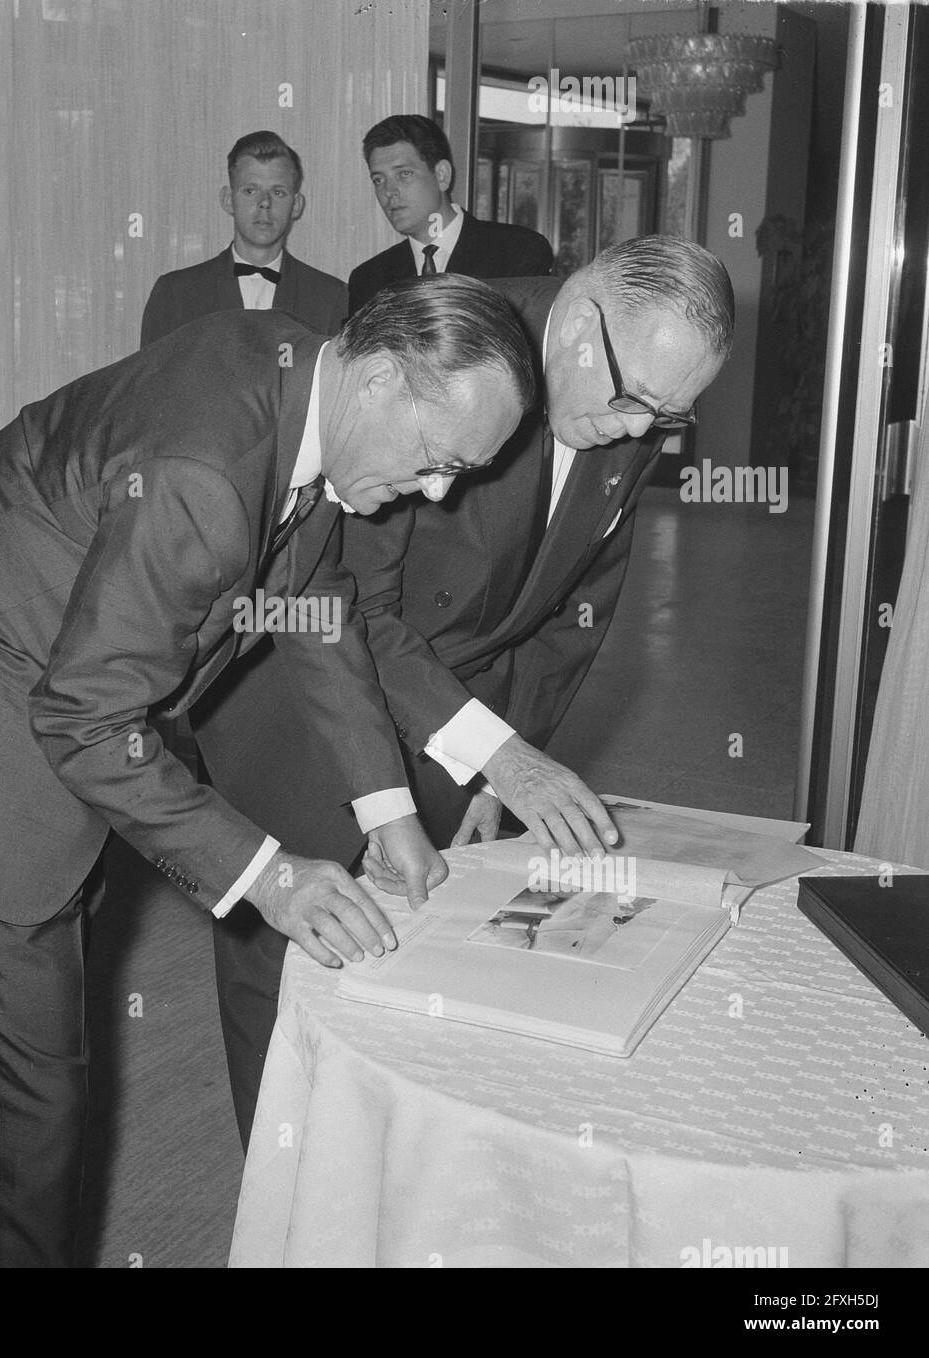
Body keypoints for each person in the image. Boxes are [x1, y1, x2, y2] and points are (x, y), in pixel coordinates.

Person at [0, 273, 536, 1266]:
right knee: (18, 1111)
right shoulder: (204, 472)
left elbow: (313, 601)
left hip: (52, 669)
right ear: (381, 376)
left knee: (37, 1060)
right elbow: (86, 723)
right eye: (435, 461)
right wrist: (270, 875)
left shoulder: (303, 374)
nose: (434, 493)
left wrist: (387, 812)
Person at [192, 235, 734, 1147]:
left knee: (418, 969)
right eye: (635, 401)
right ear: (578, 325)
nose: (640, 432)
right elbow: (350, 606)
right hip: (312, 709)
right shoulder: (453, 352)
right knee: (287, 986)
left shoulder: (629, 393)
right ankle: (286, 1196)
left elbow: (575, 614)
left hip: (463, 725)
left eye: (668, 418)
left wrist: (494, 769)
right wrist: (500, 755)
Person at [140, 130, 347, 345]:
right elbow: (149, 378)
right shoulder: (176, 294)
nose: (264, 203)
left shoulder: (330, 297)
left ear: (296, 205)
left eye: (278, 192)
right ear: (228, 200)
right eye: (250, 191)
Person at [347, 113, 553, 317]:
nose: (389, 191)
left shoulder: (518, 252)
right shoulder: (369, 281)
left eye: (404, 174)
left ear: (442, 175)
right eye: (379, 180)